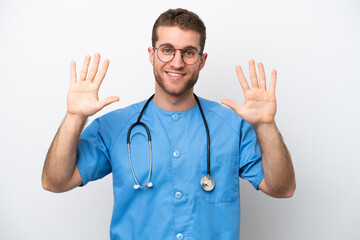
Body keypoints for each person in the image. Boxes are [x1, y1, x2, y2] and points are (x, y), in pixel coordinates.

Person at [42, 8, 295, 240]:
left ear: (202, 60)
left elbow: (282, 189)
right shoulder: (115, 127)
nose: (177, 62)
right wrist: (75, 116)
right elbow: (55, 182)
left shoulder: (233, 126)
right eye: (167, 50)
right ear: (152, 55)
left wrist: (266, 126)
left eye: (188, 52)